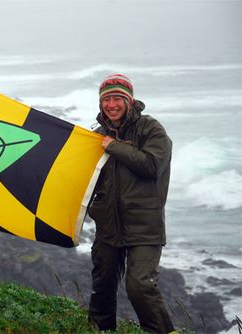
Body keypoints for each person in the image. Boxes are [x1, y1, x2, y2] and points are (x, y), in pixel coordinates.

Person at [87, 74, 175, 333]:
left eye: (117, 99)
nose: (111, 105)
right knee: (102, 285)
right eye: (106, 100)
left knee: (140, 286)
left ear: (129, 101)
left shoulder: (151, 129)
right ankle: (99, 331)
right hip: (108, 225)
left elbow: (152, 165)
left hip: (144, 226)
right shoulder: (97, 135)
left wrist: (114, 146)